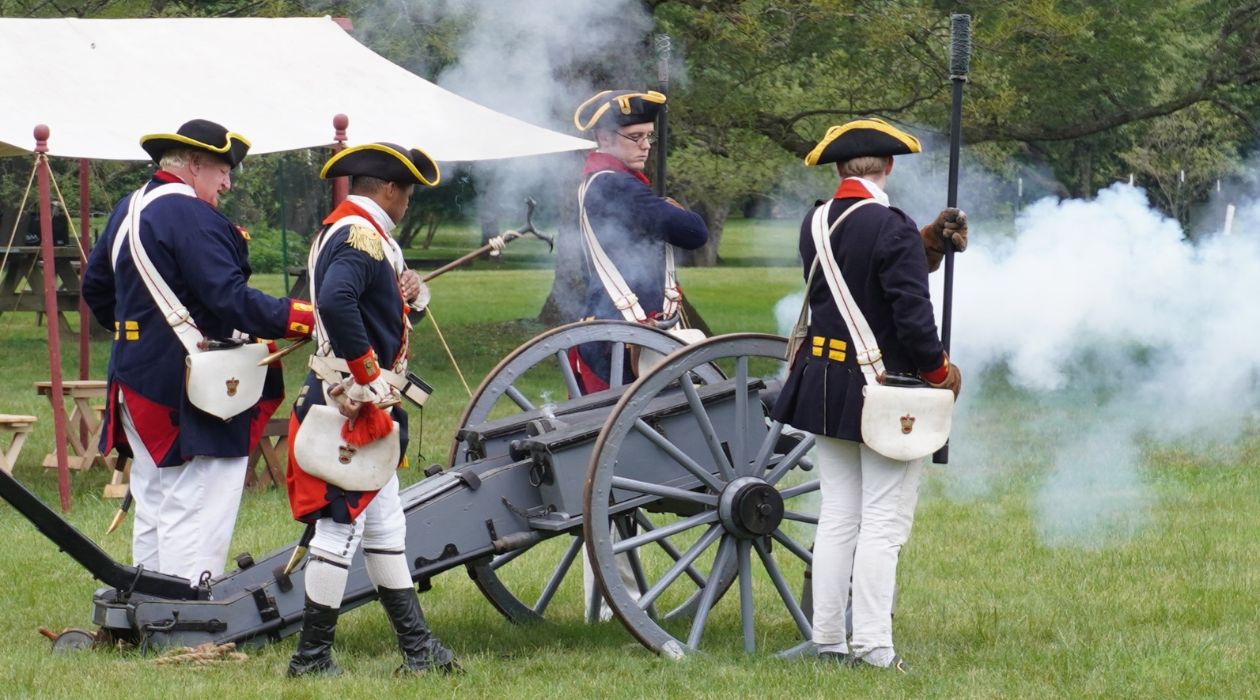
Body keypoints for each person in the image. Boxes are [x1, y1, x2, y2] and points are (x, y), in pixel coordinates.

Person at [770, 118, 966, 673]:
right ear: (890, 167)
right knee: (882, 523)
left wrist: (923, 245)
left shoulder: (814, 221)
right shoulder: (890, 225)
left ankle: (829, 640)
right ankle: (875, 648)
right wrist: (938, 371)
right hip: (882, 390)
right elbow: (911, 315)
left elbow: (860, 279)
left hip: (825, 385)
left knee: (837, 515)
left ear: (838, 170)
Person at [82, 119, 313, 585]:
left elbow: (96, 289)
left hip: (135, 377)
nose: (227, 183)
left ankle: (148, 603)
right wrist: (305, 316)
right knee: (199, 498)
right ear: (193, 165)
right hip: (186, 385)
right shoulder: (192, 215)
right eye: (223, 171)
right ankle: (188, 617)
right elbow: (229, 298)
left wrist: (142, 332)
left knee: (153, 497)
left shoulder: (128, 207)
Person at [285, 142, 459, 678]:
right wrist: (367, 375)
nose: (407, 202)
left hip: (360, 404)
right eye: (407, 192)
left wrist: (414, 295)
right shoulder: (361, 236)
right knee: (340, 528)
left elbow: (380, 314)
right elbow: (336, 303)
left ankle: (419, 650)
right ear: (389, 189)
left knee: (385, 527)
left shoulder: (359, 232)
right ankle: (310, 659)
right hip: (351, 405)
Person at [568, 89, 710, 392]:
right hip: (625, 341)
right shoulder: (616, 185)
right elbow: (695, 233)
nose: (646, 146)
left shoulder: (599, 182)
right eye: (635, 137)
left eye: (649, 136)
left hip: (612, 330)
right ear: (605, 137)